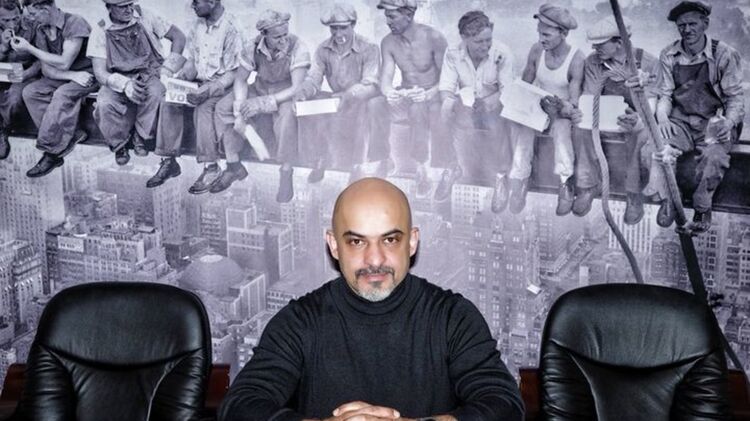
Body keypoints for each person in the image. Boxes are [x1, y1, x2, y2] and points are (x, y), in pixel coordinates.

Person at [218, 177, 524, 421]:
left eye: (390, 239)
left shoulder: (452, 317)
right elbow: (240, 405)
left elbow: (504, 404)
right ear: (333, 245)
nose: (374, 259)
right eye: (356, 241)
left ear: (412, 242)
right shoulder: (300, 321)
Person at [652, 1, 744, 233]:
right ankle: (669, 199)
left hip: (714, 122)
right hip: (681, 121)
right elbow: (665, 95)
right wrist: (662, 118)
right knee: (659, 148)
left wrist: (729, 123)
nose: (687, 30)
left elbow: (735, 98)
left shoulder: (723, 54)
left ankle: (702, 207)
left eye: (692, 24)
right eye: (681, 25)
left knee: (714, 157)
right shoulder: (669, 54)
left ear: (705, 24)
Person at [213, 9, 310, 202]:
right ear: (264, 34)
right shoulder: (252, 47)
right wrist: (240, 110)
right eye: (277, 37)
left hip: (285, 93)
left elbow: (296, 87)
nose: (283, 40)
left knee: (287, 116)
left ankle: (286, 170)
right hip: (260, 87)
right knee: (223, 107)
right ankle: (233, 164)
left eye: (285, 34)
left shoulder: (299, 47)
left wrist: (263, 103)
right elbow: (241, 80)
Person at [146, 0, 241, 193]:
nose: (192, 5)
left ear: (212, 2)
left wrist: (208, 90)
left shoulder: (232, 29)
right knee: (169, 100)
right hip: (200, 82)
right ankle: (169, 160)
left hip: (222, 86)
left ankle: (211, 167)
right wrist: (181, 78)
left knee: (203, 109)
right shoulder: (198, 25)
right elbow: (192, 61)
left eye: (196, 1)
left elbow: (233, 73)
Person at [572, 17, 659, 222]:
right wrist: (586, 114)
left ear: (619, 42)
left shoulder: (648, 62)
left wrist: (637, 119)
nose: (594, 48)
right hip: (604, 116)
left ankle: (633, 194)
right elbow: (590, 96)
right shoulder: (593, 62)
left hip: (635, 118)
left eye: (600, 44)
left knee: (641, 135)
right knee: (580, 128)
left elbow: (651, 104)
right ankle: (587, 185)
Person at [295, 2, 391, 184]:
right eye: (334, 28)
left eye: (343, 28)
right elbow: (314, 77)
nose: (338, 34)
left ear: (353, 25)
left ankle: (357, 166)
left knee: (365, 108)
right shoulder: (323, 49)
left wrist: (349, 95)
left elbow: (370, 83)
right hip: (337, 98)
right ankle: (319, 159)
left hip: (360, 97)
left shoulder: (369, 47)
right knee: (308, 106)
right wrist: (303, 92)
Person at [88, 0, 185, 166]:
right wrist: (124, 84)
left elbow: (179, 37)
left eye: (130, 4)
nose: (129, 10)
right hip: (118, 76)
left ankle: (141, 135)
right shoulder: (100, 29)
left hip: (150, 72)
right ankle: (119, 144)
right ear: (109, 7)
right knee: (104, 104)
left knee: (156, 94)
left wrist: (168, 69)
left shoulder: (145, 15)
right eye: (122, 6)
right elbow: (100, 72)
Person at [508, 4, 584, 215]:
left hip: (561, 111)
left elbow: (575, 100)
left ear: (563, 34)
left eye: (547, 35)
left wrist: (561, 107)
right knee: (523, 129)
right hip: (539, 106)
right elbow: (525, 84)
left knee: (561, 131)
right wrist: (518, 105)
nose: (541, 39)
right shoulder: (536, 50)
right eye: (539, 33)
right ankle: (520, 179)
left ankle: (565, 181)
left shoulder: (576, 59)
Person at [438, 10, 514, 210]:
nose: (485, 46)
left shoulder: (502, 53)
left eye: (488, 40)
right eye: (479, 41)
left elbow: (508, 90)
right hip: (466, 103)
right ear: (464, 38)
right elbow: (446, 87)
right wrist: (448, 103)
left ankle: (501, 177)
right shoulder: (453, 53)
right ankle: (452, 167)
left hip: (495, 103)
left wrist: (488, 103)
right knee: (444, 112)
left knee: (496, 123)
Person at [13, 0, 97, 177]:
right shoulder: (41, 29)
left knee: (62, 94)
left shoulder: (75, 23)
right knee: (31, 92)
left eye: (33, 14)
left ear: (44, 8)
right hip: (69, 76)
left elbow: (64, 62)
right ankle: (72, 134)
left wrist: (30, 48)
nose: (32, 19)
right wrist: (71, 76)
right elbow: (47, 69)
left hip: (89, 75)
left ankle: (51, 153)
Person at [378, 0, 451, 198]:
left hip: (433, 94)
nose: (387, 21)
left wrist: (428, 94)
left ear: (408, 15)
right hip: (407, 93)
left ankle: (422, 169)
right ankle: (383, 159)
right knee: (376, 104)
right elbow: (385, 78)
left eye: (392, 16)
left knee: (418, 110)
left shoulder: (434, 38)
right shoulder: (388, 42)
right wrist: (389, 92)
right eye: (386, 16)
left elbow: (448, 80)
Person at [0, 0, 40, 160]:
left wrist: (26, 74)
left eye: (15, 18)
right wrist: (3, 47)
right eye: (5, 20)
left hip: (25, 74)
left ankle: (3, 129)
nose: (12, 24)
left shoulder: (33, 26)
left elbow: (42, 59)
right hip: (2, 73)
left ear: (21, 12)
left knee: (15, 98)